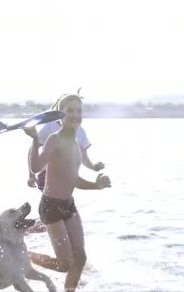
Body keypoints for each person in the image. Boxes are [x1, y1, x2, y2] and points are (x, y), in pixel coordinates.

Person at [24, 94, 111, 292]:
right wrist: (35, 139)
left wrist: (97, 185)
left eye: (78, 111)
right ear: (59, 116)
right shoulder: (54, 139)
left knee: (80, 258)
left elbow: (75, 181)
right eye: (69, 111)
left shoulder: (75, 145)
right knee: (64, 264)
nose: (75, 115)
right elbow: (37, 167)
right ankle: (26, 255)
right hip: (51, 206)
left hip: (68, 205)